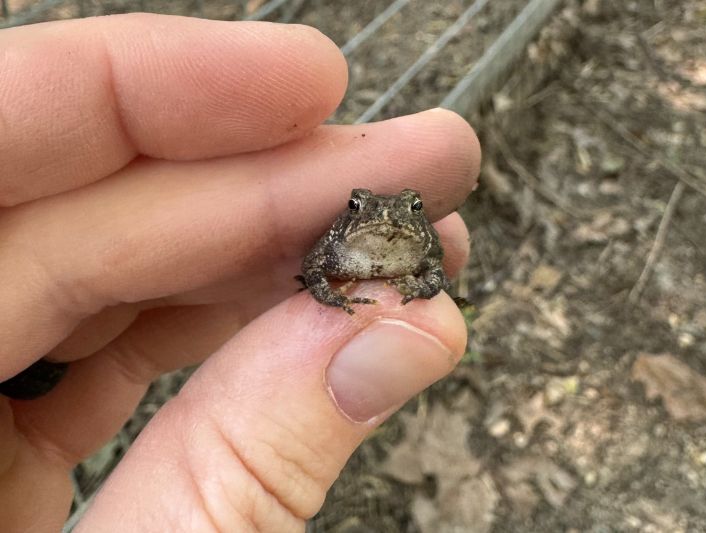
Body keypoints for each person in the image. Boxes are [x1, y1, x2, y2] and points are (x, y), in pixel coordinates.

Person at [0, 13, 480, 532]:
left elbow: (435, 274)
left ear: (417, 215)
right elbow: (315, 270)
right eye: (359, 204)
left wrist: (422, 287)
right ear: (350, 213)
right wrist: (334, 299)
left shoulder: (422, 242)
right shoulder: (341, 243)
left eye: (410, 207)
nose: (383, 216)